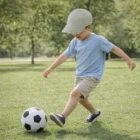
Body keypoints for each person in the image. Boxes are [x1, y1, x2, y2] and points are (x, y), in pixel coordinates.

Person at [43, 9, 136, 127]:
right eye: (73, 31)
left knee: (74, 94)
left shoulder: (98, 40)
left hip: (93, 76)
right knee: (82, 99)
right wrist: (50, 68)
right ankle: (95, 113)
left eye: (78, 31)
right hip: (79, 76)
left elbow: (114, 48)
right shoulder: (75, 42)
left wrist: (128, 59)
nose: (76, 34)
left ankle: (62, 117)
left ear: (89, 27)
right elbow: (63, 56)